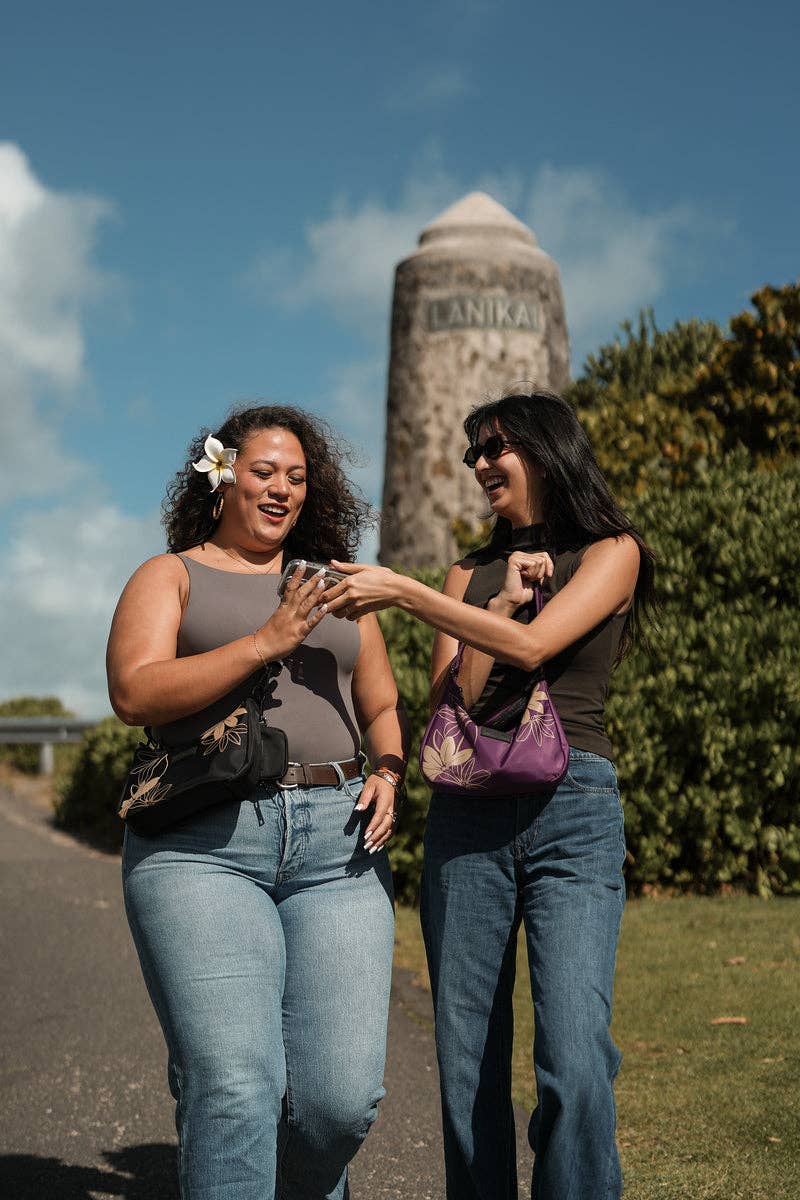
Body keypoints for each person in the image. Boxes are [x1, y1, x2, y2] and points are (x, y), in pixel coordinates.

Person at [324, 389, 656, 1200]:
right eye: (473, 451)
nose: (478, 464)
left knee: (576, 1057)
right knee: (467, 1058)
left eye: (494, 447)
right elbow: (455, 704)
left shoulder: (612, 551)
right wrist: (496, 598)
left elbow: (538, 647)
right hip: (468, 815)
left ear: (546, 450)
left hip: (573, 808)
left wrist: (406, 593)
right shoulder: (469, 575)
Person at [107, 404, 408, 1200]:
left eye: (297, 478)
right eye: (264, 471)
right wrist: (263, 643)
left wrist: (389, 769)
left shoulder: (337, 584)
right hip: (203, 848)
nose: (282, 489)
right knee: (237, 1084)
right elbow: (134, 691)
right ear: (222, 478)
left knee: (338, 1104)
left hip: (339, 847)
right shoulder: (170, 574)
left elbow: (381, 703)